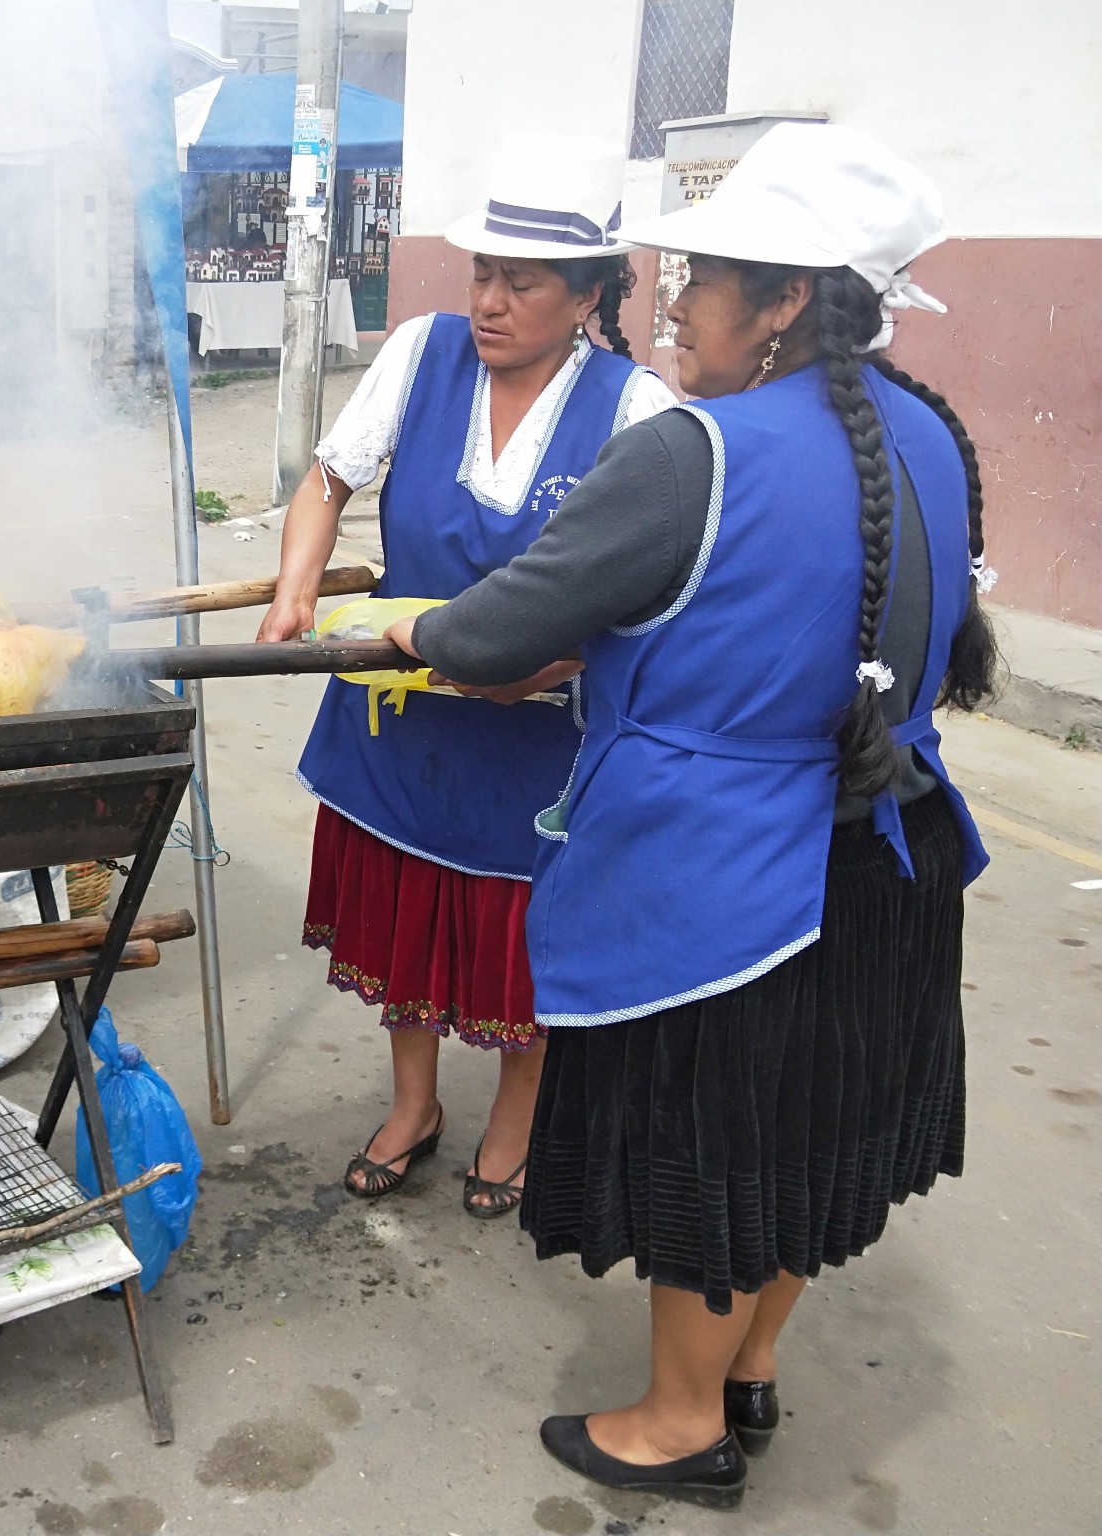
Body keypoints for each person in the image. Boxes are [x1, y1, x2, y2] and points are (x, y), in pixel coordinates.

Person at [382, 124, 995, 1507]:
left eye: (703, 279)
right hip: (892, 856)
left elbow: (497, 632)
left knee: (715, 1151)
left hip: (732, 886)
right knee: (815, 1139)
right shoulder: (930, 434)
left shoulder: (693, 454)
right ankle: (749, 1371)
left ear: (784, 301)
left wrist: (418, 624)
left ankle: (677, 1422)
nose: (674, 305)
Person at [259, 137, 676, 1215]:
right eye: (479, 275)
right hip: (401, 715)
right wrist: (293, 591)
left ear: (584, 295)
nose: (488, 303)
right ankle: (413, 1105)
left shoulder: (634, 410)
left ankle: (514, 1117)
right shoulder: (420, 351)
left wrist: (549, 661)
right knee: (407, 912)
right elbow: (326, 479)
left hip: (534, 732)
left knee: (513, 935)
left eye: (519, 284)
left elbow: (648, 595)